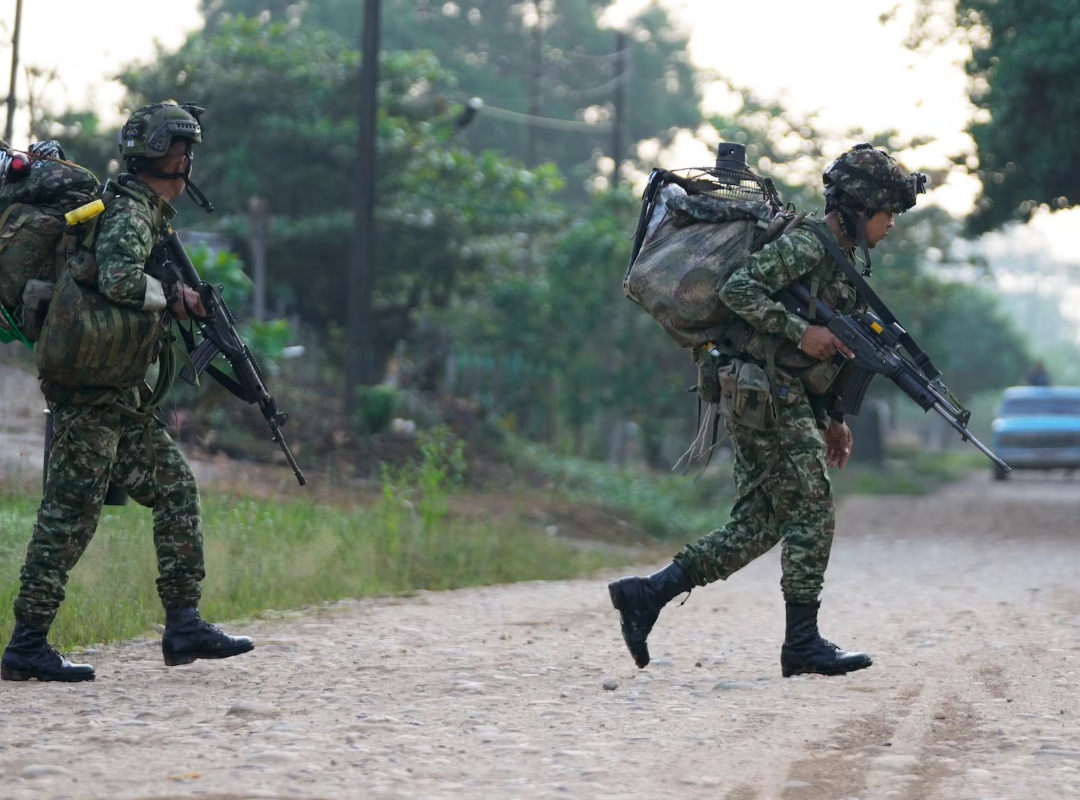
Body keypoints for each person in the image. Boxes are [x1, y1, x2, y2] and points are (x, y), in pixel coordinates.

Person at [609, 144, 925, 677]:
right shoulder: (809, 244)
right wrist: (803, 332)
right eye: (886, 213)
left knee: (760, 522)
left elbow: (833, 348)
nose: (890, 225)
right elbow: (739, 290)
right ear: (857, 208)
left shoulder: (840, 261)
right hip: (765, 394)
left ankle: (647, 595)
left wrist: (833, 417)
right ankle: (801, 644)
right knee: (812, 506)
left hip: (777, 394)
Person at [1, 102, 253, 682]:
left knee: (175, 490)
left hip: (119, 396)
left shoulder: (144, 211)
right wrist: (175, 297)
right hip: (91, 394)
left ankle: (184, 625)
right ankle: (27, 644)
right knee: (69, 514)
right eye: (182, 151)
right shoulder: (132, 214)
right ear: (174, 156)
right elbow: (117, 278)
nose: (186, 161)